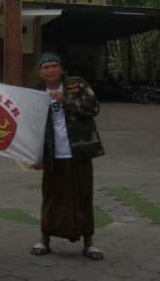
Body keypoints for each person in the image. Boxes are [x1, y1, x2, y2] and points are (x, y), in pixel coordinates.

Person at [30, 52, 105, 260]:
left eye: (54, 66)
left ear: (62, 69)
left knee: (83, 195)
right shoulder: (36, 94)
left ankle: (88, 242)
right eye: (45, 67)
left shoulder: (76, 85)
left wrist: (66, 100)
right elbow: (31, 127)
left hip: (79, 151)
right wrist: (35, 155)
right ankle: (45, 240)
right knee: (51, 196)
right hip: (52, 154)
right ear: (39, 72)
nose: (50, 70)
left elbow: (94, 107)